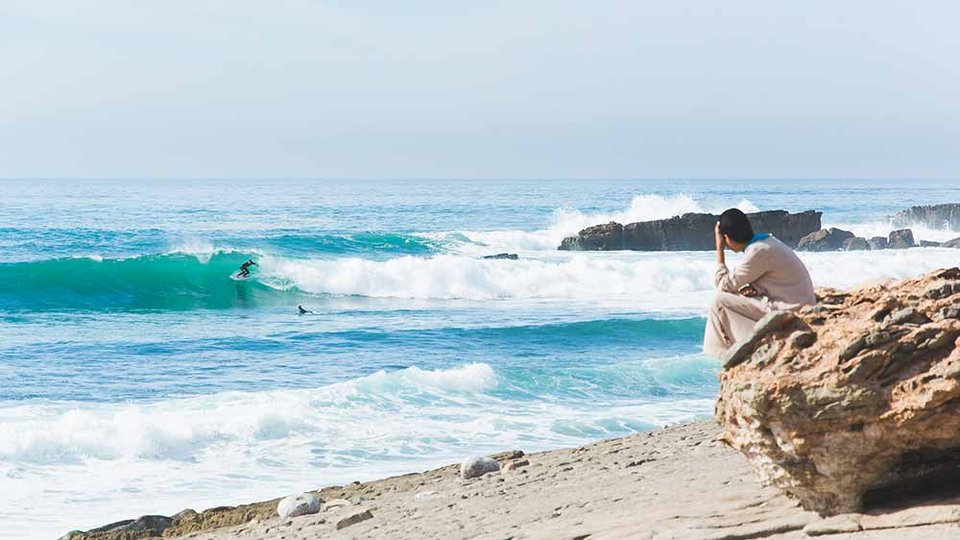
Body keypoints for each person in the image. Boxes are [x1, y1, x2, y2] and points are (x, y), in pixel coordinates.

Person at [703, 208, 816, 358]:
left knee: (718, 302)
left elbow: (724, 285)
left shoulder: (758, 252)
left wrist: (719, 250)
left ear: (726, 238)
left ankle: (721, 355)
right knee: (731, 300)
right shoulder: (767, 242)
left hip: (791, 311)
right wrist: (755, 288)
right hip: (795, 303)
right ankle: (727, 351)